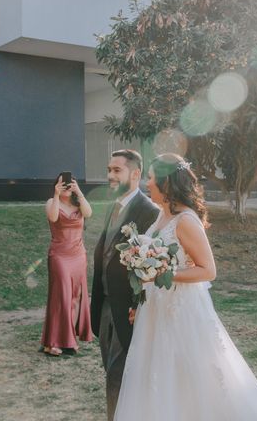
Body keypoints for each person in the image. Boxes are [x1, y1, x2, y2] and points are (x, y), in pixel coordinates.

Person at [114, 153, 257, 421]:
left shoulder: (186, 220)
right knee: (157, 375)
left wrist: (164, 272)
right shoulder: (161, 215)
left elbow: (208, 269)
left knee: (190, 379)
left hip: (181, 311)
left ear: (165, 182)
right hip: (155, 308)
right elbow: (154, 261)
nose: (147, 184)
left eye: (151, 179)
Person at [90, 150, 159, 421]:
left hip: (128, 309)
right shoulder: (113, 206)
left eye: (116, 170)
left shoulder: (149, 212)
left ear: (135, 174)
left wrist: (136, 305)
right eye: (109, 169)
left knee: (118, 375)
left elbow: (151, 266)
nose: (110, 175)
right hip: (106, 304)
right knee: (111, 371)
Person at [41, 173, 93, 356]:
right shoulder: (51, 202)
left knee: (75, 297)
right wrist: (56, 195)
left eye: (69, 183)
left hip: (78, 256)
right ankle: (54, 341)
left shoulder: (79, 204)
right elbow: (53, 218)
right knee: (61, 297)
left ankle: (69, 340)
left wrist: (79, 192)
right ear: (57, 185)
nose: (66, 187)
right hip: (59, 256)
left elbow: (89, 213)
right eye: (62, 184)